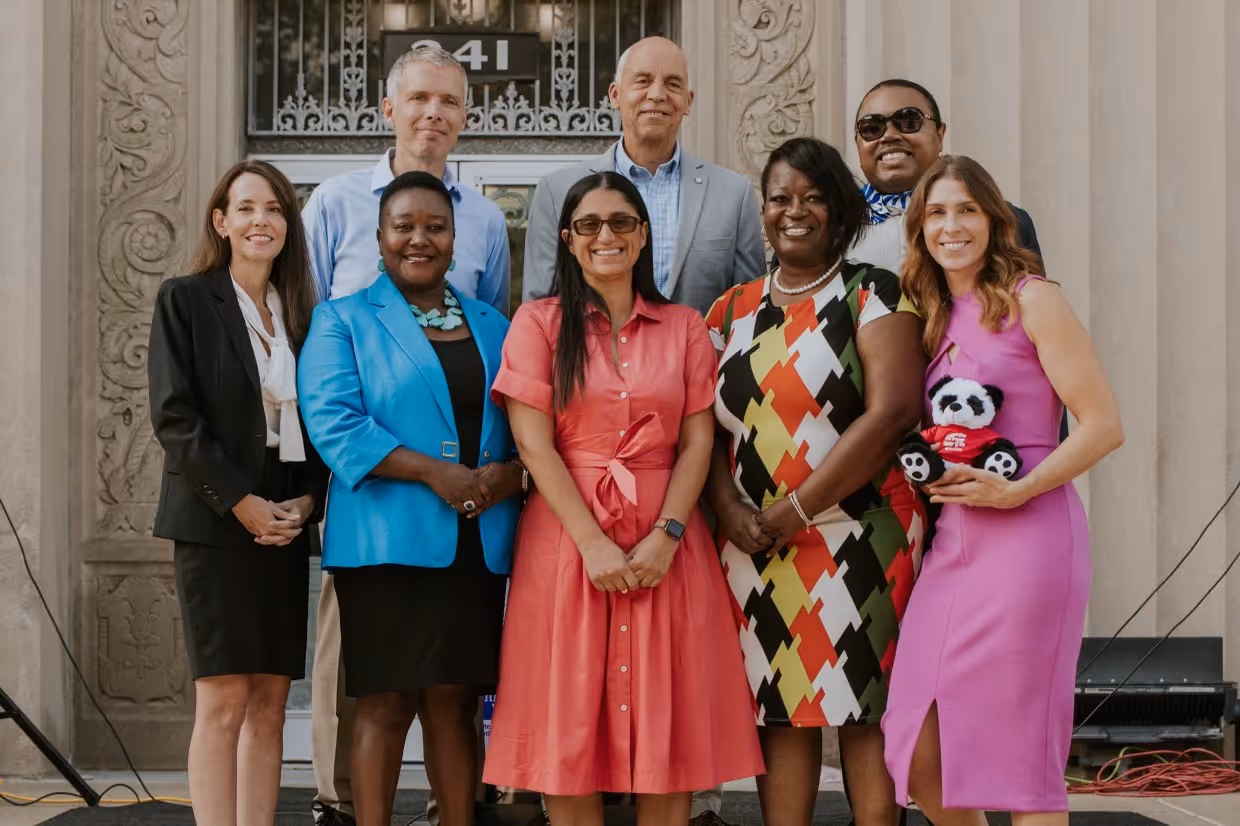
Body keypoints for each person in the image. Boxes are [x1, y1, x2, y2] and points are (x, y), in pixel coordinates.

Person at [483, 171, 765, 826]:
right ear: (568, 238)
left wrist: (666, 535)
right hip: (565, 544)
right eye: (589, 225)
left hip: (667, 544)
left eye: (620, 223)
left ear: (642, 236)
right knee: (568, 729)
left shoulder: (685, 326)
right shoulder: (538, 322)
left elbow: (698, 443)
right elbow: (534, 444)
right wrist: (591, 543)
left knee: (669, 731)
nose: (605, 235)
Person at [300, 45, 512, 826]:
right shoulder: (340, 318)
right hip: (385, 537)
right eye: (403, 227)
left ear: (458, 237)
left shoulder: (492, 322)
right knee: (383, 704)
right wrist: (435, 475)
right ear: (380, 233)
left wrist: (510, 475)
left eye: (435, 227)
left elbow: (516, 417)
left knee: (456, 705)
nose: (419, 239)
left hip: (473, 542)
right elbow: (333, 423)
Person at [881, 156, 1124, 826]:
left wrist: (1021, 490)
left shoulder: (1034, 298)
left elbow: (1104, 425)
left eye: (966, 210)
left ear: (994, 219)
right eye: (936, 213)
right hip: (954, 546)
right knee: (919, 748)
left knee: (1020, 766)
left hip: (1030, 541)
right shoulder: (932, 314)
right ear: (919, 226)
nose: (951, 226)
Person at [705, 138, 927, 826]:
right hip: (757, 548)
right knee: (781, 709)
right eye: (780, 198)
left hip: (859, 535)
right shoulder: (729, 310)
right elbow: (706, 432)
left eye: (813, 198)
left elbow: (892, 413)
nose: (794, 211)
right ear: (762, 210)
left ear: (839, 210)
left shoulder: (873, 292)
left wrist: (796, 509)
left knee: (864, 709)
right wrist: (727, 507)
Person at [147, 160, 329, 826]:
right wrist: (241, 502)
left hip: (283, 526)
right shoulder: (187, 299)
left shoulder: (303, 315)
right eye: (247, 208)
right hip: (216, 525)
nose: (262, 221)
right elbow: (175, 417)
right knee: (223, 702)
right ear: (222, 222)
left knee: (271, 704)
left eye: (275, 209)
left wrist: (306, 504)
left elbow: (318, 421)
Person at [522, 36, 765, 316]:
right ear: (615, 95)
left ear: (688, 101)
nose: (658, 94)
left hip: (701, 359)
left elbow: (749, 315)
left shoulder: (734, 194)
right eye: (643, 80)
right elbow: (541, 311)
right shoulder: (558, 191)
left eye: (673, 84)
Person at [850, 79, 1040, 272]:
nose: (889, 135)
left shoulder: (1005, 222)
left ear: (939, 136)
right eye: (871, 127)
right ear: (857, 143)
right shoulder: (831, 229)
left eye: (908, 122)